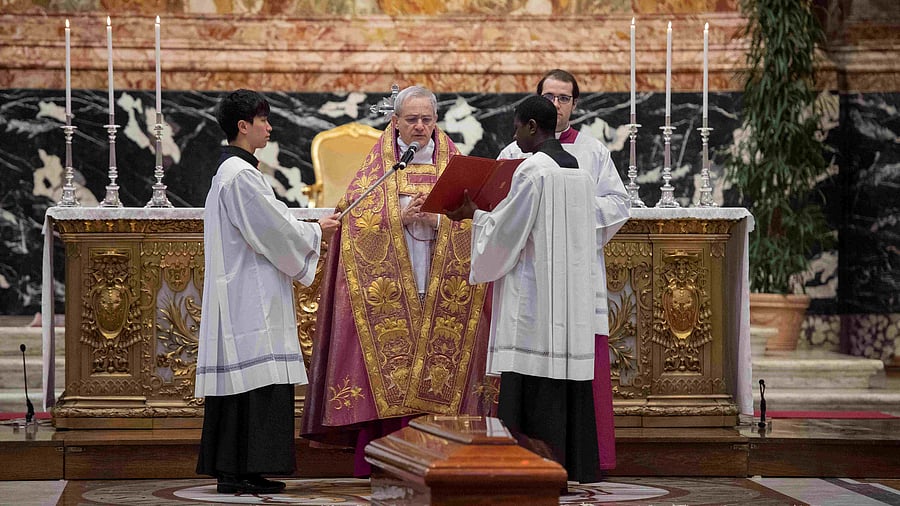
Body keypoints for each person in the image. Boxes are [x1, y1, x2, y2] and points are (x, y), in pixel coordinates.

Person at [300, 85, 495, 477]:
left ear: (436, 121)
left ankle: (445, 458)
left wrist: (439, 219)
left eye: (426, 119)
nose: (420, 127)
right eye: (412, 120)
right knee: (394, 366)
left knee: (442, 363)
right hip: (394, 285)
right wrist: (396, 220)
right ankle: (388, 457)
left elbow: (483, 223)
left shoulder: (456, 166)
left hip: (443, 285)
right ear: (395, 122)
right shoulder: (381, 170)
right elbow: (352, 219)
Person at [445, 95, 602, 483]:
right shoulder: (579, 171)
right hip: (569, 302)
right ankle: (573, 465)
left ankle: (530, 469)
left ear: (533, 126)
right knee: (565, 382)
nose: (514, 136)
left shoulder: (533, 171)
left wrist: (473, 216)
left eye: (517, 127)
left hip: (535, 301)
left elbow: (507, 232)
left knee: (531, 378)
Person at [194, 89, 341, 494]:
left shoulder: (234, 173)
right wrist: (316, 230)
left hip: (246, 289)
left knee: (248, 384)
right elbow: (270, 229)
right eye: (263, 120)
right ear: (243, 126)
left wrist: (308, 230)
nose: (270, 127)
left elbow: (269, 220)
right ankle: (238, 470)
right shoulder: (239, 176)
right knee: (253, 381)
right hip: (249, 295)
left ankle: (242, 469)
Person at [498, 69, 630, 473]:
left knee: (575, 363)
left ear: (575, 104)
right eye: (549, 96)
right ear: (537, 100)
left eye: (564, 98)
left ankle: (579, 456)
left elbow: (617, 205)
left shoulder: (593, 152)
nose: (556, 104)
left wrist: (566, 215)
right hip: (529, 278)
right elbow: (500, 208)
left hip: (574, 276)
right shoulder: (512, 152)